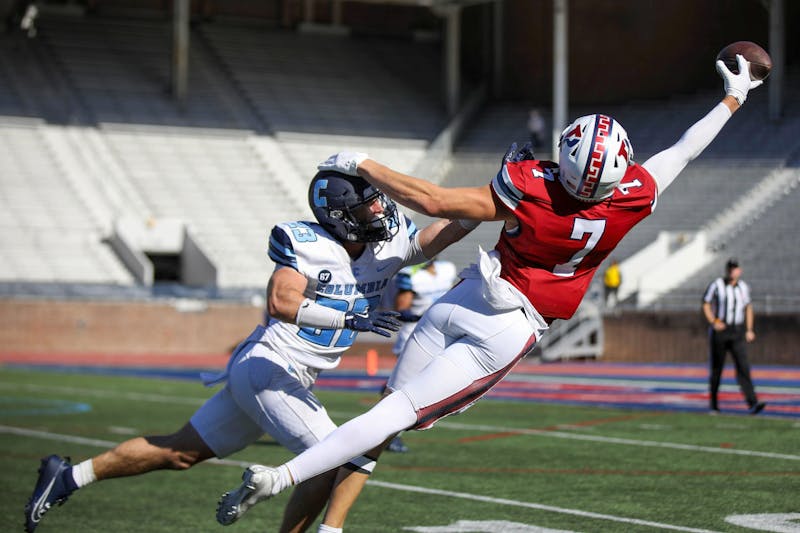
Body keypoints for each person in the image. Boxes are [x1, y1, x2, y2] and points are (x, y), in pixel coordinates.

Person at [215, 54, 764, 528]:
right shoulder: (631, 196)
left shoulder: (528, 189)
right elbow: (684, 150)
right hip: (511, 326)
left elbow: (431, 202)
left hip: (469, 295)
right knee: (398, 414)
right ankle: (281, 476)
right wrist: (733, 98)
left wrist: (358, 162)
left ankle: (328, 526)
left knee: (385, 413)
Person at [23, 170, 477, 533]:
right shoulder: (306, 242)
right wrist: (349, 319)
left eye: (378, 200)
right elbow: (281, 302)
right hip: (269, 368)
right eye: (367, 204)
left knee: (180, 452)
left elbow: (436, 237)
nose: (380, 209)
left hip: (286, 376)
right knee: (330, 458)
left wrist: (489, 207)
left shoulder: (386, 241)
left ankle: (68, 476)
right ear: (339, 215)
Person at [385, 257, 458, 453]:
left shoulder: (447, 268)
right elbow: (401, 309)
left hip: (442, 334)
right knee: (400, 389)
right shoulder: (410, 274)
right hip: (415, 335)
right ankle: (389, 434)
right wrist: (425, 315)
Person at [702, 258, 765, 415]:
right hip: (721, 331)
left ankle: (752, 403)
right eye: (730, 268)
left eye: (735, 268)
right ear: (727, 270)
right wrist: (714, 321)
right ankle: (714, 405)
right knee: (717, 369)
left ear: (739, 270)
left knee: (743, 367)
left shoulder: (743, 287)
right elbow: (706, 303)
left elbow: (748, 307)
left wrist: (749, 329)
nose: (732, 271)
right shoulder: (717, 284)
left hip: (737, 331)